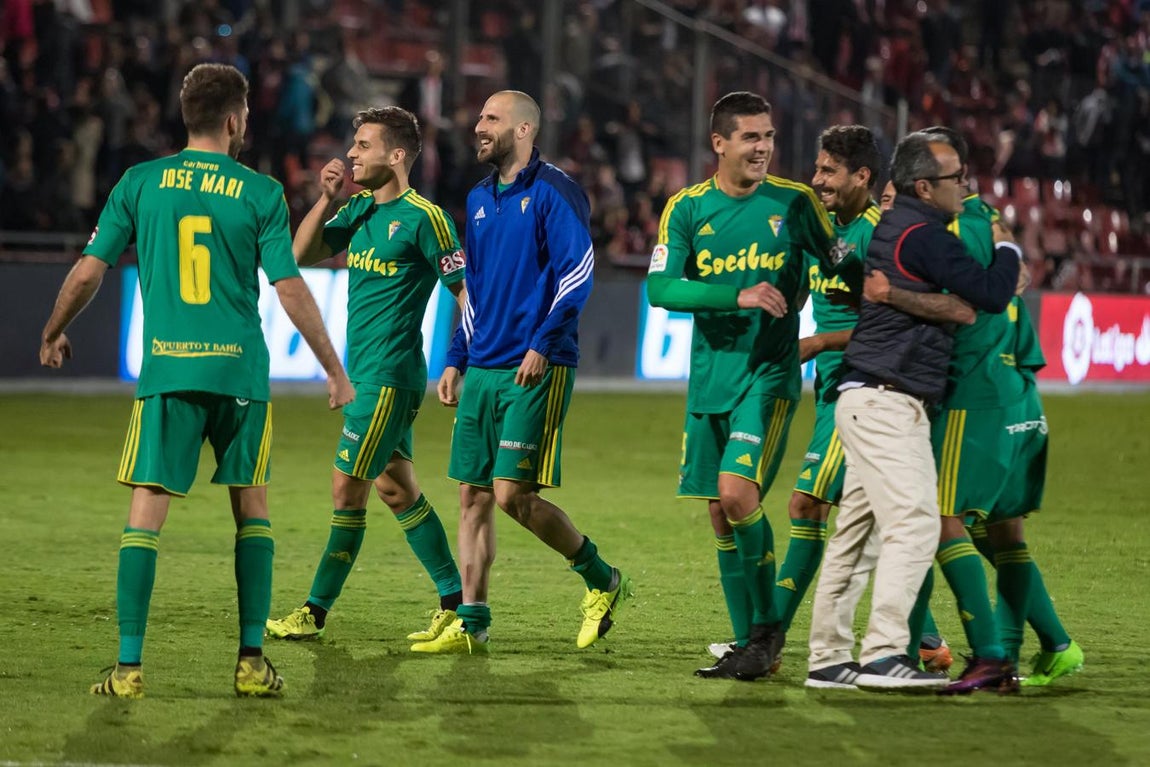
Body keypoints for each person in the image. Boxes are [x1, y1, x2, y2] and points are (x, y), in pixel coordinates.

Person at [39, 63, 354, 698]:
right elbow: (289, 286)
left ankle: (128, 668)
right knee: (252, 510)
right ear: (236, 119)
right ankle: (250, 663)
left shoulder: (140, 183)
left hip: (168, 369)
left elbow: (88, 270)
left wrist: (53, 329)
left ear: (187, 117)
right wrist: (333, 368)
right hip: (239, 373)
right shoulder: (260, 191)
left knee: (145, 514)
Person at [805, 130, 1020, 690]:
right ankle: (883, 656)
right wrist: (1009, 245)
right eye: (956, 179)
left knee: (857, 534)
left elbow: (959, 302)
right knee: (917, 523)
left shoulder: (899, 229)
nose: (965, 187)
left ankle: (828, 659)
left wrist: (930, 301)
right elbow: (993, 293)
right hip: (889, 401)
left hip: (863, 396)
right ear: (925, 185)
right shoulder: (924, 234)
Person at [419, 90, 632, 654]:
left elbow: (578, 271)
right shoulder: (479, 198)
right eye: (480, 116)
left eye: (491, 118)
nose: (478, 126)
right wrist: (455, 357)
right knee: (472, 497)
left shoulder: (554, 191)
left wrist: (543, 341)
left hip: (535, 366)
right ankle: (473, 621)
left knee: (512, 494)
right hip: (483, 365)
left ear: (523, 130)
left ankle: (601, 579)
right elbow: (474, 290)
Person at [872, 126, 1083, 692]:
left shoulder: (949, 233)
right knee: (1002, 534)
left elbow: (954, 306)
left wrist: (885, 294)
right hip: (1017, 393)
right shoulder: (987, 223)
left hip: (971, 395)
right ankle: (1050, 646)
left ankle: (989, 655)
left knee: (938, 524)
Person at [647, 91, 845, 681]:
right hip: (709, 380)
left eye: (769, 137)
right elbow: (661, 291)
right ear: (720, 143)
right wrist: (737, 294)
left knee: (737, 495)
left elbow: (843, 262)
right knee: (718, 512)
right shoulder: (686, 210)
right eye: (751, 137)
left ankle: (766, 633)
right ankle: (747, 644)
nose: (763, 148)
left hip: (768, 375)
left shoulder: (795, 201)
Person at [264, 106, 468, 648]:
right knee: (396, 490)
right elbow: (298, 254)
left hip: (388, 378)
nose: (350, 154)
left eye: (362, 145)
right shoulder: (355, 210)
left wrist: (459, 360)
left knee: (346, 486)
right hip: (369, 374)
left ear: (396, 155)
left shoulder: (426, 218)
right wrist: (326, 199)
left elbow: (466, 294)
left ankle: (314, 611)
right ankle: (458, 603)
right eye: (352, 145)